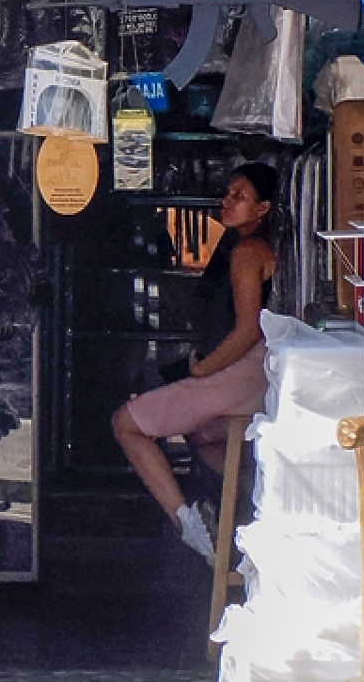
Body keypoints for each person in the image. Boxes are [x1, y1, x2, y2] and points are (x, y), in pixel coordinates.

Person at [112, 163, 279, 563]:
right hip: (254, 371)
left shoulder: (246, 252)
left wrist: (202, 369)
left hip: (243, 370)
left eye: (240, 196)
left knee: (126, 424)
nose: (227, 200)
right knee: (203, 436)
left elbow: (247, 329)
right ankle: (259, 508)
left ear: (263, 208)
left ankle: (190, 527)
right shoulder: (242, 247)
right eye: (229, 192)